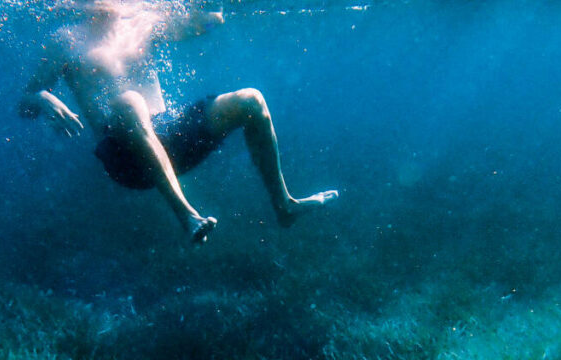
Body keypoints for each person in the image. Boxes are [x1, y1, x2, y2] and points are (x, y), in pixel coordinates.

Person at [19, 0, 338, 243]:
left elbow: (208, 23)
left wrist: (213, 15)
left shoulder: (143, 21)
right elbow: (25, 103)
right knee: (129, 102)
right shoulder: (64, 40)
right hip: (126, 159)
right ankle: (188, 216)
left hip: (173, 140)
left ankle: (285, 205)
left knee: (251, 99)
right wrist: (44, 98)